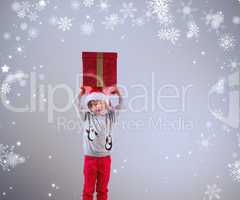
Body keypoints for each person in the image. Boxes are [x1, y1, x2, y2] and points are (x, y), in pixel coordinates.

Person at [76, 85, 123, 200]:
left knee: (102, 190)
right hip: (90, 159)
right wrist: (80, 94)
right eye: (92, 104)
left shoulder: (110, 117)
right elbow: (76, 105)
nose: (96, 106)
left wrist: (119, 95)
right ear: (89, 107)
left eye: (99, 103)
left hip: (105, 159)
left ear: (105, 103)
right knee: (88, 190)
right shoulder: (87, 117)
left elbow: (120, 107)